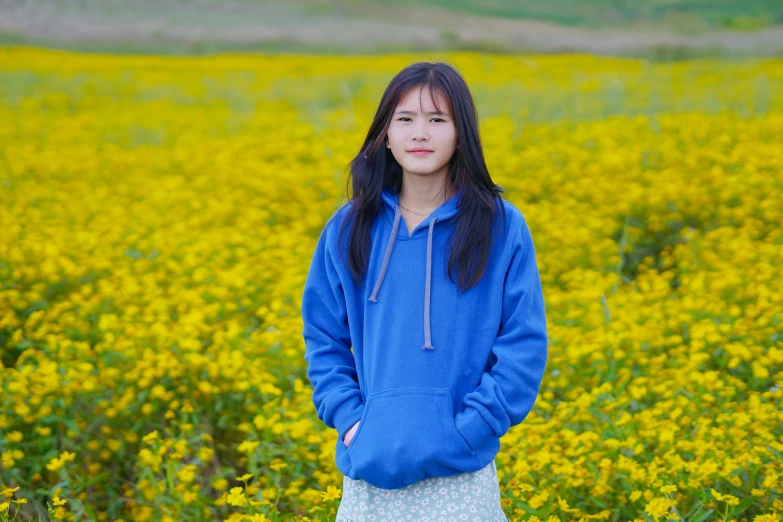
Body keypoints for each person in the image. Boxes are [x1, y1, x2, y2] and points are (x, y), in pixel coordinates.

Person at [301, 60, 548, 521]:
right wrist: (351, 420)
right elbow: (323, 337)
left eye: (437, 119)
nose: (420, 133)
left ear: (461, 133)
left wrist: (472, 428)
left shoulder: (500, 226)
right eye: (405, 119)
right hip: (370, 469)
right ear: (385, 134)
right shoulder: (348, 227)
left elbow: (523, 344)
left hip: (461, 472)